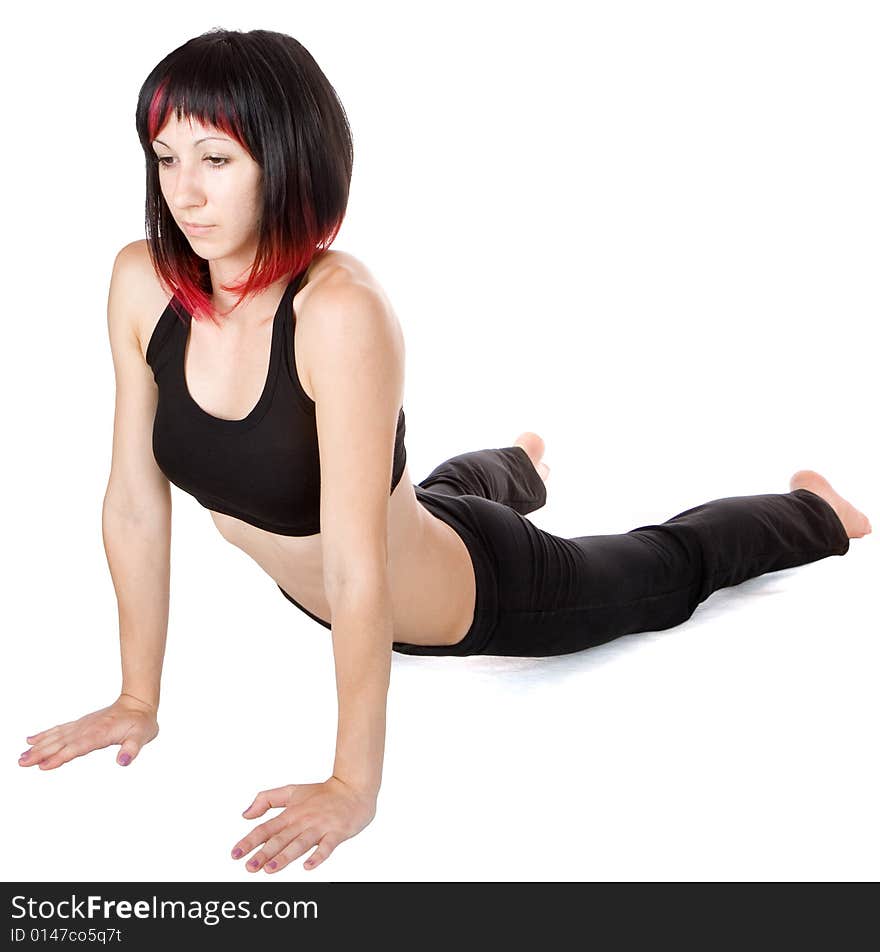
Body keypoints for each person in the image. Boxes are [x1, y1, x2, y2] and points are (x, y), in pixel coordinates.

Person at [17, 28, 871, 875]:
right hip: (392, 539)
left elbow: (359, 567)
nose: (184, 196)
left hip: (468, 591)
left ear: (288, 162)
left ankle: (814, 509)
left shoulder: (339, 311)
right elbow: (134, 500)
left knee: (663, 567)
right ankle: (519, 463)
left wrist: (354, 782)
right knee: (431, 495)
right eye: (165, 160)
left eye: (216, 161)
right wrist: (137, 699)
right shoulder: (142, 283)